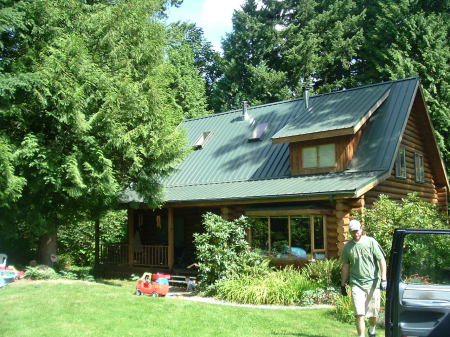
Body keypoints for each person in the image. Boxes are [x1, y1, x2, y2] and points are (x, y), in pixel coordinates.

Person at [341, 219, 387, 337]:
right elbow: (345, 266)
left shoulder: (371, 242)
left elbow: (381, 260)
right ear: (350, 232)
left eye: (357, 231)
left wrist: (383, 279)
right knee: (359, 314)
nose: (355, 233)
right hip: (356, 283)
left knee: (373, 314)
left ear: (361, 229)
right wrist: (342, 284)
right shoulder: (347, 248)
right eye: (352, 231)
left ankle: (372, 329)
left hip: (373, 283)